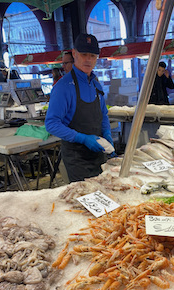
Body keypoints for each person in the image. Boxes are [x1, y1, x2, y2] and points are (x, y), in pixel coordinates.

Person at [45, 33, 114, 182]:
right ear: (74, 54)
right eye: (84, 54)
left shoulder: (96, 84)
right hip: (77, 159)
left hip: (98, 154)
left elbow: (103, 115)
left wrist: (107, 133)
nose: (88, 59)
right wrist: (82, 138)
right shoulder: (63, 87)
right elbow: (51, 124)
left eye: (92, 56)